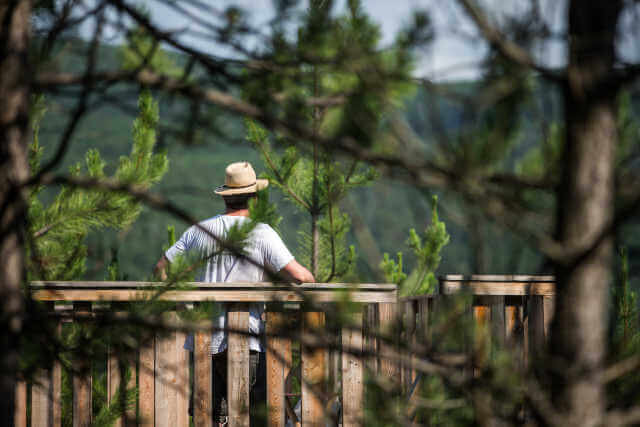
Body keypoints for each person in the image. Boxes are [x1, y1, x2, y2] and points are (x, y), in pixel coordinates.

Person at [154, 161, 314, 426]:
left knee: (213, 418)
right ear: (254, 197)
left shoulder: (199, 231)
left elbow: (161, 270)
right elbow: (300, 276)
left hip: (204, 338)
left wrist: (183, 307)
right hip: (247, 338)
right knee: (250, 416)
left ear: (226, 196)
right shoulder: (261, 234)